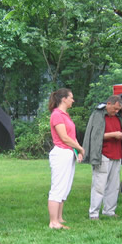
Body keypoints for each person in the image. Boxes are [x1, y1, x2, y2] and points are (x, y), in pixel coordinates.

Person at [83, 95, 122, 220]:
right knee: (99, 184)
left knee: (114, 185)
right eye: (114, 109)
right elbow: (95, 135)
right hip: (103, 154)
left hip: (117, 154)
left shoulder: (118, 117)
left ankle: (109, 211)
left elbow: (120, 134)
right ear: (108, 104)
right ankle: (93, 213)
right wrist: (113, 135)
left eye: (118, 110)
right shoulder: (98, 115)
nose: (116, 112)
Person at [47, 89, 85, 229]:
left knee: (65, 187)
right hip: (61, 153)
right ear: (63, 99)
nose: (73, 100)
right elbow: (64, 137)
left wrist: (77, 150)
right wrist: (80, 148)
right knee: (58, 187)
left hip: (68, 152)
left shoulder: (65, 115)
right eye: (71, 97)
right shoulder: (57, 115)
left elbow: (71, 137)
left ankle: (59, 218)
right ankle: (53, 222)